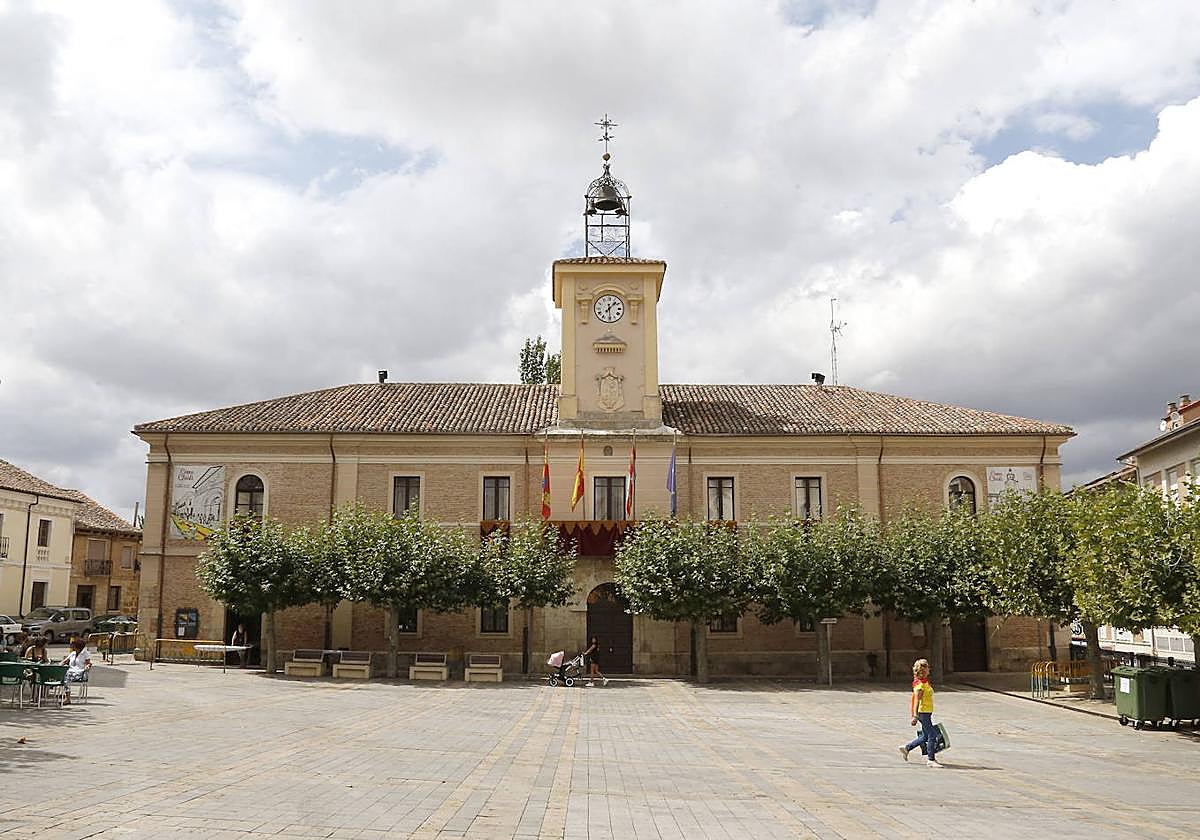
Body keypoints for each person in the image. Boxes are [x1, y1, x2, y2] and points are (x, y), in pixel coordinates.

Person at [898, 658, 942, 767]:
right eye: (927, 667)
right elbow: (916, 701)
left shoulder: (924, 682)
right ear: (923, 670)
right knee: (932, 735)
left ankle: (907, 748)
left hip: (927, 712)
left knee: (925, 736)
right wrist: (915, 716)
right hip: (923, 713)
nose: (929, 669)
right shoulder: (920, 686)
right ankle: (931, 759)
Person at [61, 637, 92, 705]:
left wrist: (87, 666)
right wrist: (60, 664)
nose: (72, 647)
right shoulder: (73, 653)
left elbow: (88, 663)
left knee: (66, 677)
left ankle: (67, 698)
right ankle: (66, 694)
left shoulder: (85, 654)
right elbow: (65, 661)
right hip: (70, 672)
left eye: (74, 646)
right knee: (63, 675)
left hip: (80, 673)